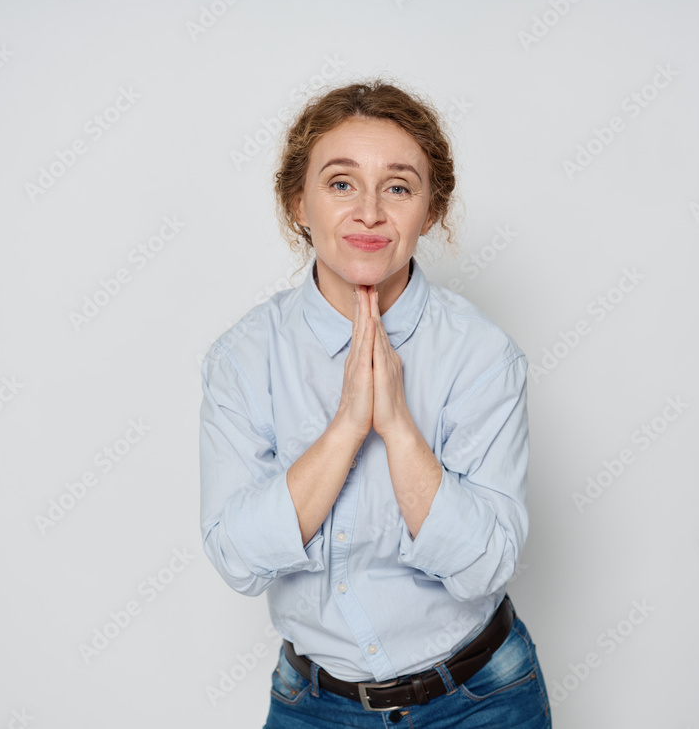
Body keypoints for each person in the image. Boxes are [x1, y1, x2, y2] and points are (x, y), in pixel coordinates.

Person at [199, 79, 551, 728]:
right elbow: (237, 559)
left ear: (430, 211)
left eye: (398, 187)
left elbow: (485, 567)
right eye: (341, 183)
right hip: (314, 708)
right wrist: (346, 429)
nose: (369, 212)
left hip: (482, 702)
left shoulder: (482, 355)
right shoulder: (243, 358)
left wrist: (396, 425)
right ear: (298, 202)